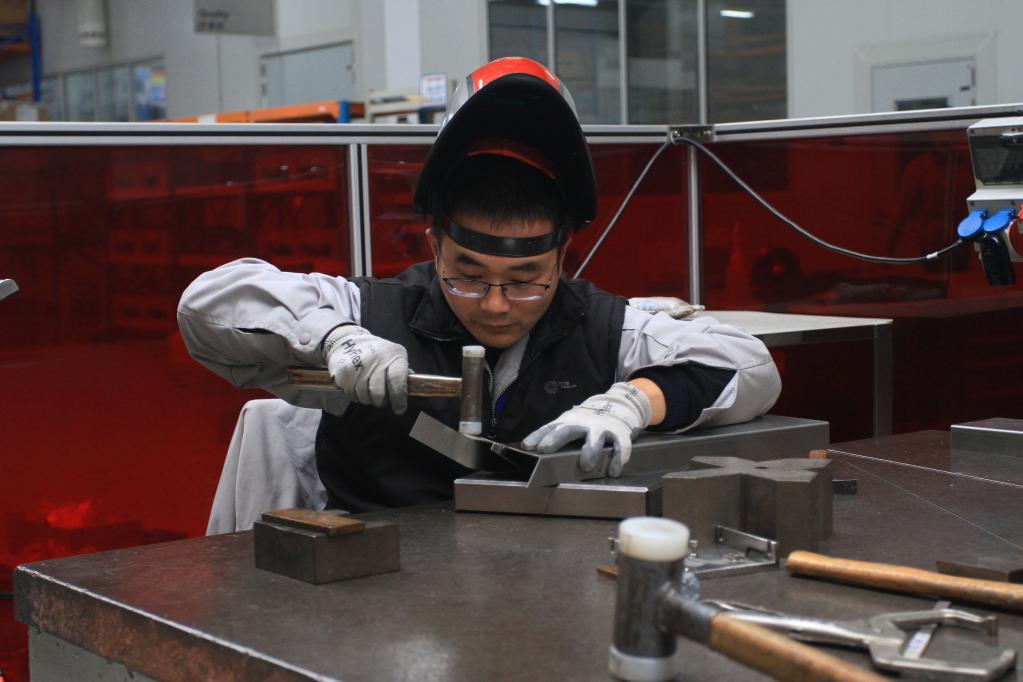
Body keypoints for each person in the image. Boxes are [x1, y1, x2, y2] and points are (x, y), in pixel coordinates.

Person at [178, 57, 781, 515]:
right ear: (433, 244)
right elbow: (208, 305)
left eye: (525, 280)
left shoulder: (600, 325)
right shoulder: (372, 311)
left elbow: (751, 368)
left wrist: (632, 403)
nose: (495, 305)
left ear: (563, 255)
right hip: (367, 580)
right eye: (467, 276)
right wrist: (335, 339)